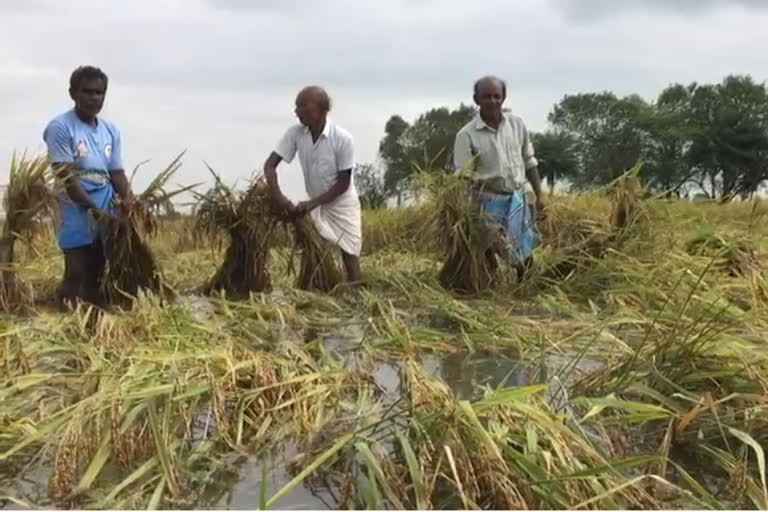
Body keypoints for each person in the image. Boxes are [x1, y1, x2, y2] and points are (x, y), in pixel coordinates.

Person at [43, 65, 135, 308]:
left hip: (104, 198)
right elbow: (67, 178)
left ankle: (94, 315)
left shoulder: (110, 130)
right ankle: (65, 314)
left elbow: (116, 172)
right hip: (73, 203)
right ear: (73, 93)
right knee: (76, 268)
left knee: (98, 265)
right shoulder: (60, 127)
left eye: (99, 93)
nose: (94, 98)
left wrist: (129, 200)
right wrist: (96, 211)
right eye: (87, 92)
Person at [263, 85, 362, 283]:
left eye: (303, 106)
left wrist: (311, 203)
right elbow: (270, 166)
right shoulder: (295, 134)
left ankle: (356, 292)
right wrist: (280, 198)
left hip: (341, 203)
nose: (297, 112)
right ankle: (319, 285)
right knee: (315, 248)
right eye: (296, 107)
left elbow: (343, 183)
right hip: (315, 202)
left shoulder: (342, 139)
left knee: (350, 252)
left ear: (322, 108)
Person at [453, 75, 546, 281]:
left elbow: (529, 161)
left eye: (497, 96)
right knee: (490, 250)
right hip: (486, 203)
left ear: (503, 98)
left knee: (524, 251)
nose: (492, 101)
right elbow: (463, 177)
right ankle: (488, 286)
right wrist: (462, 212)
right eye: (486, 97)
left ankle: (525, 288)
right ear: (476, 100)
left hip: (517, 199)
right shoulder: (466, 135)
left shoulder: (517, 125)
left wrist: (540, 195)